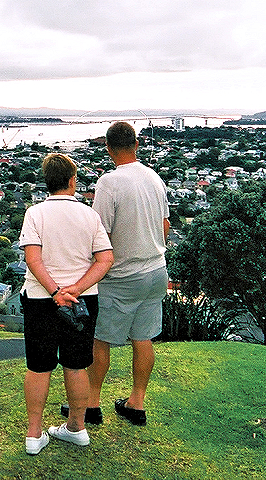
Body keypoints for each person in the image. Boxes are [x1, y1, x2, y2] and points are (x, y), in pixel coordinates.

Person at [18, 152, 114, 455]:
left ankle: (34, 435)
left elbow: (32, 258)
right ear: (72, 181)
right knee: (76, 365)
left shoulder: (35, 213)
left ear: (48, 182)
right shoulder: (89, 215)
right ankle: (77, 428)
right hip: (82, 300)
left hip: (40, 298)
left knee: (39, 366)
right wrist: (75, 288)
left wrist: (56, 290)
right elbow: (105, 259)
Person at [86, 121, 170, 427]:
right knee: (143, 337)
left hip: (122, 276)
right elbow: (164, 227)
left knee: (100, 340)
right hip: (156, 270)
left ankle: (91, 405)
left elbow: (100, 234)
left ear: (108, 148)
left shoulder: (109, 182)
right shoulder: (154, 177)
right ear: (136, 144)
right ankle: (136, 403)